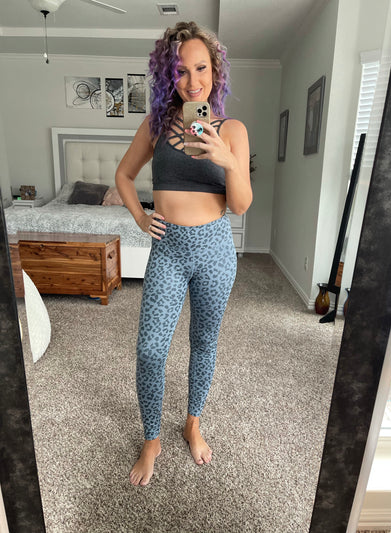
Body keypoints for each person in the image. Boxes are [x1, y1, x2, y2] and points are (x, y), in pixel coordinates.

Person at [115, 21, 253, 487]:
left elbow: (240, 205)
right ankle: (151, 438)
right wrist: (140, 217)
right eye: (180, 71)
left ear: (215, 71)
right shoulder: (156, 126)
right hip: (168, 249)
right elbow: (123, 176)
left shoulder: (233, 130)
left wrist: (226, 158)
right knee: (150, 349)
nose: (192, 81)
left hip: (215, 249)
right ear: (168, 76)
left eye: (201, 68)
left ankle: (193, 423)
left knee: (204, 342)